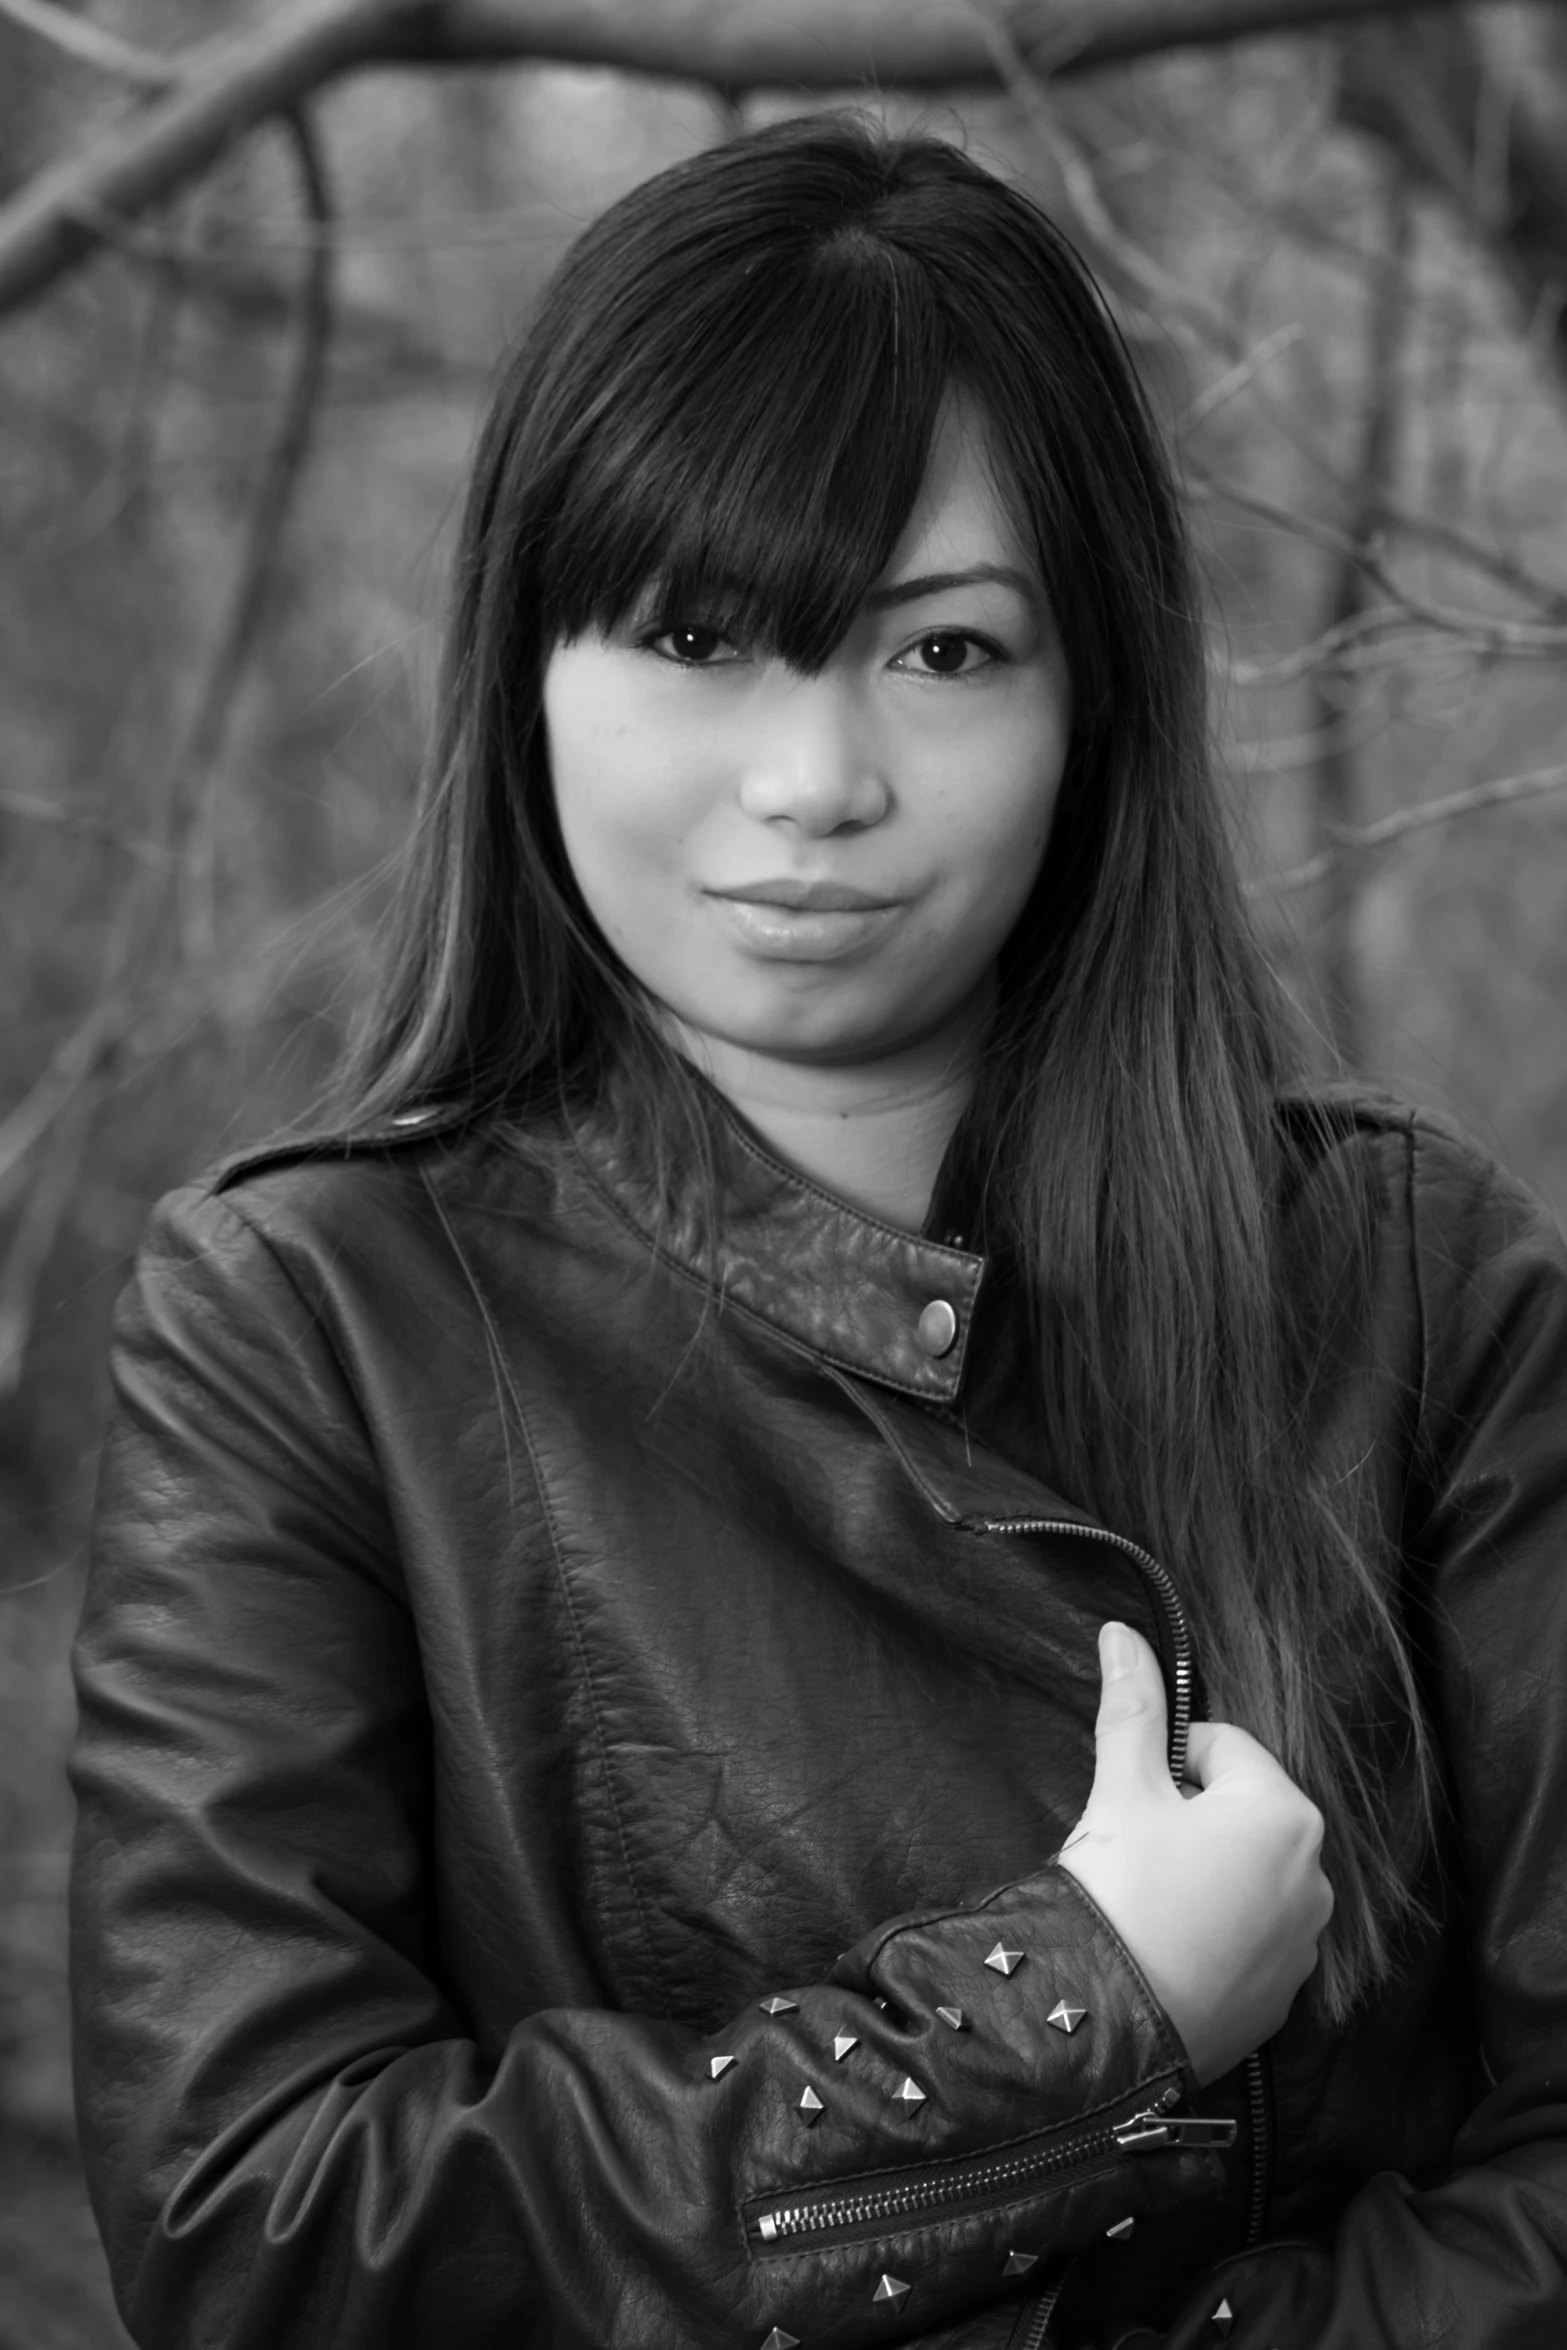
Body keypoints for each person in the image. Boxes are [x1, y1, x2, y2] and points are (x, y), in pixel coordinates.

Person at [67, 114, 1567, 2350]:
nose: (812, 782)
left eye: (943, 652)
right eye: (693, 633)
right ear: (529, 672)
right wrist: (1084, 2003)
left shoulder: (1415, 1280)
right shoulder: (308, 1319)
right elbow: (266, 2227)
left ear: (1095, 699)